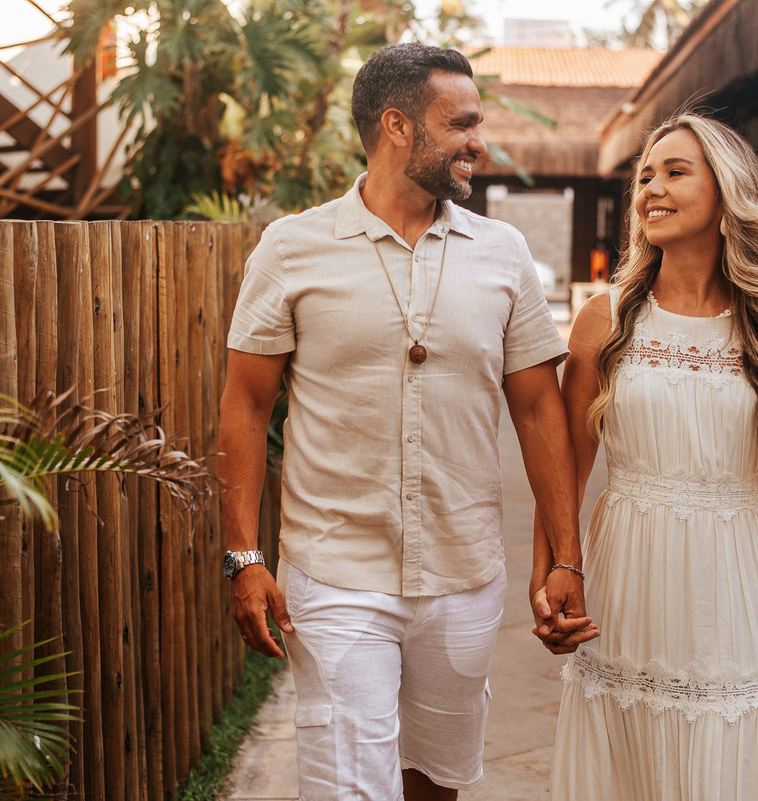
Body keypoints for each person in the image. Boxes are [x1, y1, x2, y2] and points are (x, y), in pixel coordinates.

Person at [218, 43, 597, 801]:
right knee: (349, 785)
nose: (478, 144)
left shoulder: (504, 253)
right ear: (397, 126)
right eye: (461, 124)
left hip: (464, 569)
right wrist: (244, 556)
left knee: (437, 779)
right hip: (336, 572)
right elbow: (245, 406)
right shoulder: (291, 249)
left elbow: (536, 409)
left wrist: (566, 556)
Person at [533, 113, 758, 800]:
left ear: (725, 191)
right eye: (645, 176)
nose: (651, 189)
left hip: (741, 583)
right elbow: (566, 468)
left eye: (674, 171)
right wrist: (554, 569)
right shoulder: (606, 320)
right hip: (628, 579)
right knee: (628, 764)